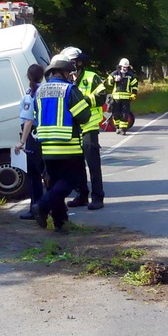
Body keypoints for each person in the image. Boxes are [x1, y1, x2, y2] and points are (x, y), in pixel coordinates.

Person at [30, 56, 92, 232]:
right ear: (65, 72)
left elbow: (36, 115)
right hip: (68, 146)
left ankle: (60, 222)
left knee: (55, 183)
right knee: (70, 181)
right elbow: (84, 116)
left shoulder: (39, 91)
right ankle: (41, 206)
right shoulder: (69, 90)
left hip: (47, 148)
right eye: (69, 72)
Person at [58, 47, 106, 210]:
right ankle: (82, 195)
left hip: (89, 126)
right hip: (72, 128)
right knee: (76, 164)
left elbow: (101, 97)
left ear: (78, 62)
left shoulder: (92, 77)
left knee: (93, 164)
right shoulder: (65, 80)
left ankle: (98, 197)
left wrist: (82, 100)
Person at [14, 63, 45, 221]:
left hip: (34, 136)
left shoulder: (30, 94)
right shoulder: (46, 90)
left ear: (28, 76)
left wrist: (22, 141)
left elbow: (28, 120)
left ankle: (35, 208)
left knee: (33, 175)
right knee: (47, 172)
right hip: (47, 135)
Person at [107, 58, 138, 134]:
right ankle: (117, 127)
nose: (125, 69)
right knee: (115, 114)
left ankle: (123, 129)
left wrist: (134, 93)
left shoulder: (131, 76)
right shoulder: (114, 74)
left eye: (126, 67)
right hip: (115, 98)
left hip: (126, 99)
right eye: (124, 67)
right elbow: (107, 84)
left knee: (125, 114)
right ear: (120, 66)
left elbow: (134, 86)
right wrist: (114, 80)